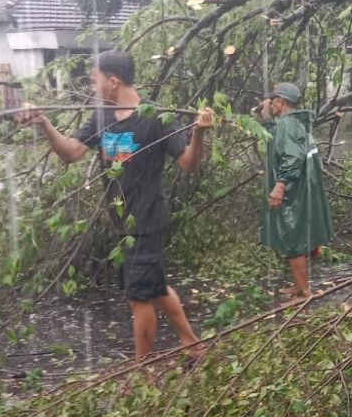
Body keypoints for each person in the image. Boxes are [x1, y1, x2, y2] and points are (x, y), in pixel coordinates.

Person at [16, 50, 212, 359]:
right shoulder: (102, 117)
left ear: (113, 81)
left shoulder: (155, 117)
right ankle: (192, 343)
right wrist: (44, 122)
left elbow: (189, 162)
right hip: (123, 224)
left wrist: (198, 134)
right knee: (156, 288)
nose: (94, 88)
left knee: (139, 298)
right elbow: (70, 153)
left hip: (147, 222)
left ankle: (142, 370)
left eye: (96, 81)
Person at [260, 82, 334, 300]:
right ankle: (299, 286)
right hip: (301, 189)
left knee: (293, 238)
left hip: (294, 191)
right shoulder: (292, 123)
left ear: (281, 103)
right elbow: (278, 140)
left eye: (273, 101)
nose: (270, 105)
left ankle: (304, 293)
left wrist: (280, 185)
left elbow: (292, 157)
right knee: (297, 237)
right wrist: (266, 118)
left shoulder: (288, 125)